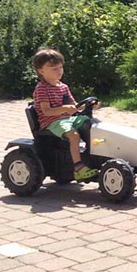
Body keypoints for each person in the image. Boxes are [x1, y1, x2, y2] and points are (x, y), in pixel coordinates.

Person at [32, 48, 99, 181]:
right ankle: (78, 168)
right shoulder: (42, 89)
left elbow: (75, 106)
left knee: (93, 125)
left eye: (60, 67)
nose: (59, 71)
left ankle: (93, 155)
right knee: (73, 135)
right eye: (54, 69)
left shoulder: (63, 87)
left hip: (67, 119)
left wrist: (90, 106)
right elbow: (46, 111)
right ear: (41, 71)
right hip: (51, 122)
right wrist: (64, 109)